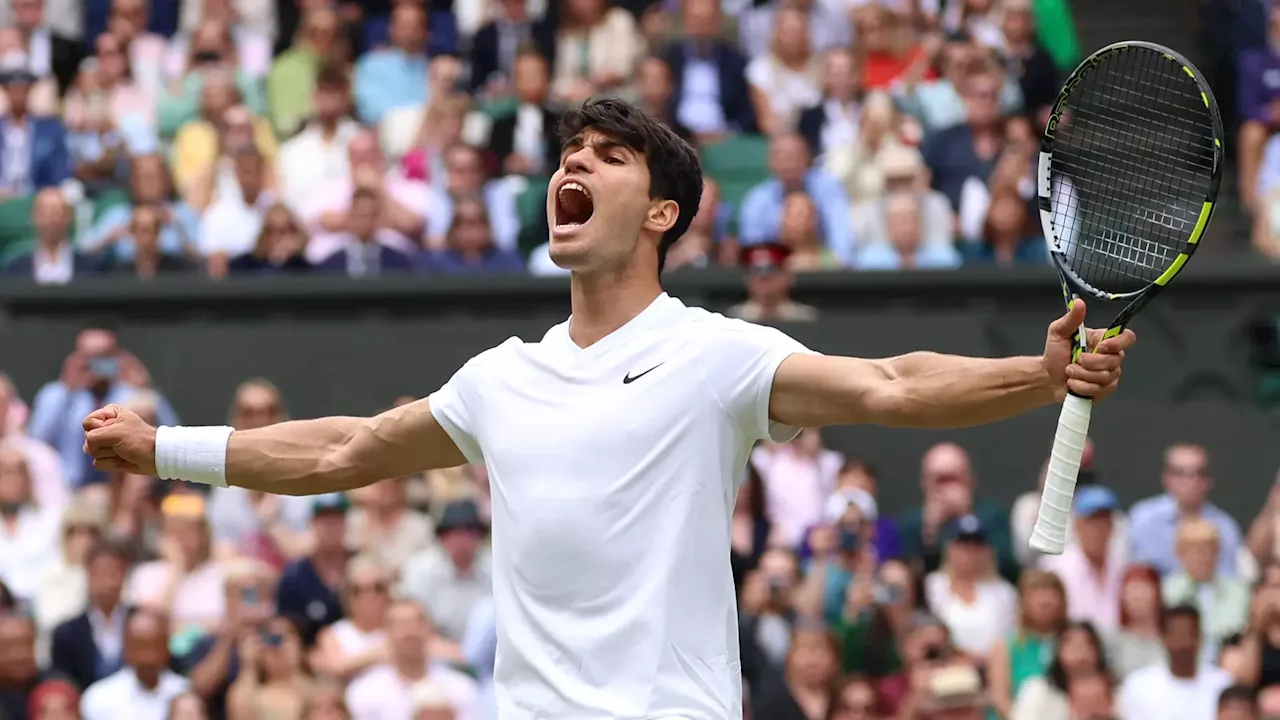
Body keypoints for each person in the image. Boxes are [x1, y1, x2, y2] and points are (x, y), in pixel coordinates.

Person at [82, 97, 1135, 719]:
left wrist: (1035, 377)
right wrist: (166, 448)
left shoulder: (714, 355)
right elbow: (341, 452)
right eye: (567, 155)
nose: (571, 164)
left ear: (661, 212)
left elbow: (889, 385)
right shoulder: (499, 376)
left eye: (607, 156)